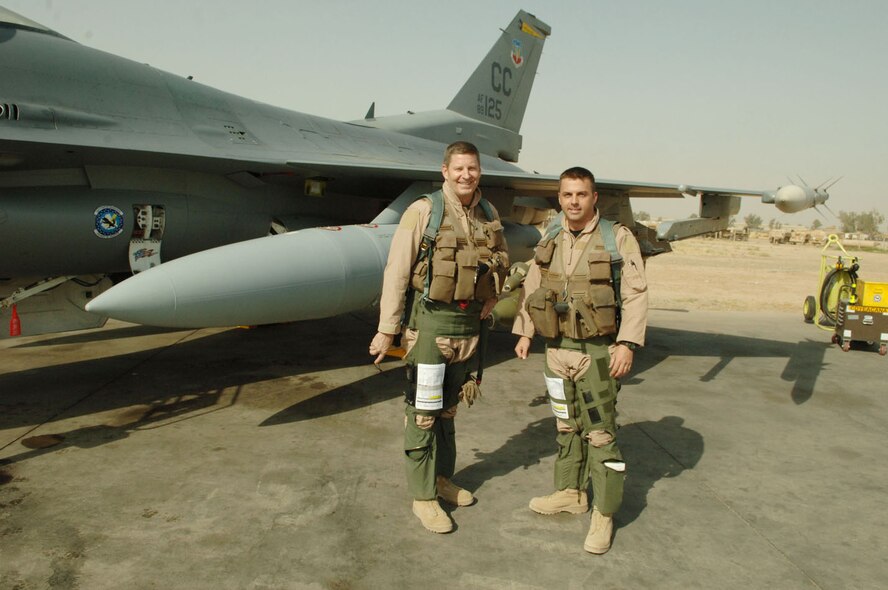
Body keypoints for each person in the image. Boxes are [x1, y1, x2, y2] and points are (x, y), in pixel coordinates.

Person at [369, 141, 509, 534]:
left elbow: (501, 258)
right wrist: (387, 329)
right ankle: (423, 496)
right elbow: (397, 271)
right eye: (459, 168)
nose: (467, 175)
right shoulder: (424, 211)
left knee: (449, 410)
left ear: (480, 171)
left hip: (468, 328)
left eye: (473, 168)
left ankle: (443, 480)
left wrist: (494, 296)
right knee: (424, 413)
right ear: (445, 170)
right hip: (430, 325)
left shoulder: (488, 212)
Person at [512, 166, 648, 554]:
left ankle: (604, 513)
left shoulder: (616, 237)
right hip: (556, 350)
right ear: (559, 198)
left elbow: (636, 293)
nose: (574, 201)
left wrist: (627, 343)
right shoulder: (551, 235)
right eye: (568, 194)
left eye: (581, 194)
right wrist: (525, 331)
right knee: (566, 425)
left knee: (600, 433)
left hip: (598, 350)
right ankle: (570, 492)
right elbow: (533, 284)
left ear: (594, 198)